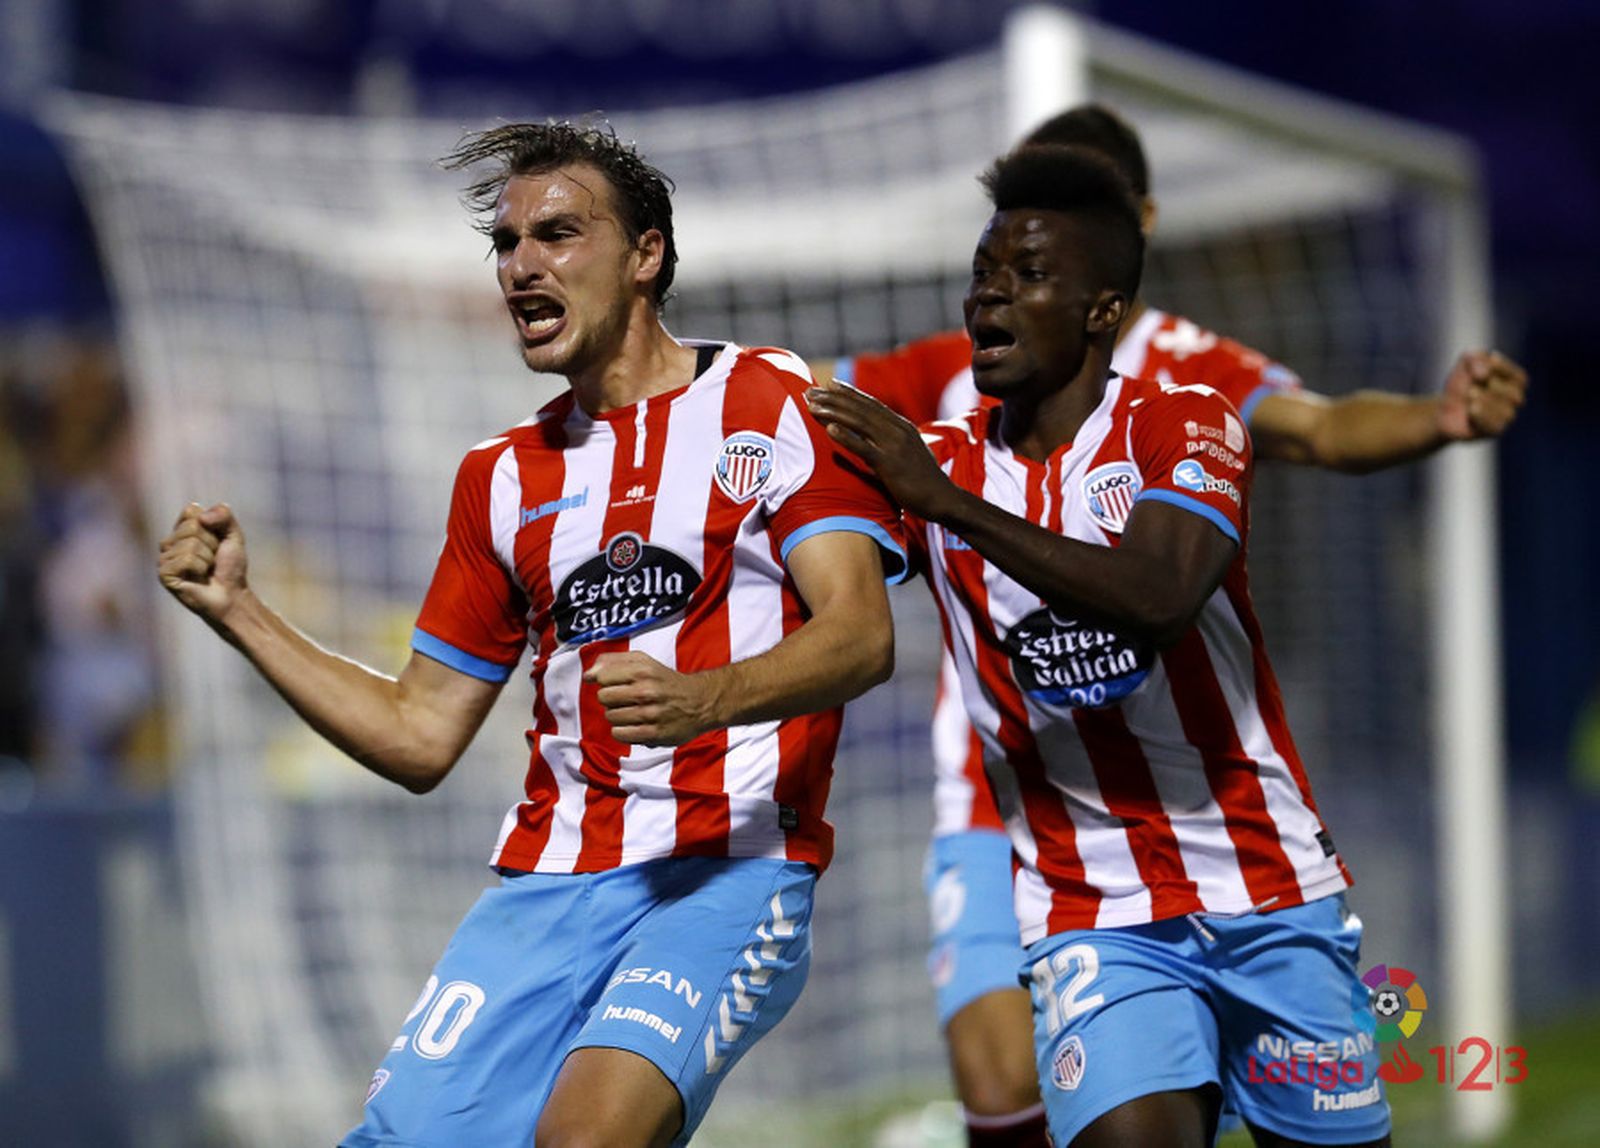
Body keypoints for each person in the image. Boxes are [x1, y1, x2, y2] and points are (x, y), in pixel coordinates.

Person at [158, 121, 907, 1148]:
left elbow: (862, 635)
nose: (521, 266)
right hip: (545, 888)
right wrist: (240, 611)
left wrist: (708, 697)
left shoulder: (771, 399)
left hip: (724, 875)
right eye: (506, 244)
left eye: (557, 233)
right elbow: (421, 733)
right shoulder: (499, 478)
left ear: (646, 254)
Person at [809, 103, 1526, 1148]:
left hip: (1263, 881)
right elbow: (790, 424)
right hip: (1083, 899)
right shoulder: (940, 439)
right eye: (983, 268)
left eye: (1028, 267)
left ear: (1108, 298)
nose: (990, 291)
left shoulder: (1185, 411)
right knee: (1006, 1074)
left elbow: (1161, 585)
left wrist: (1436, 416)